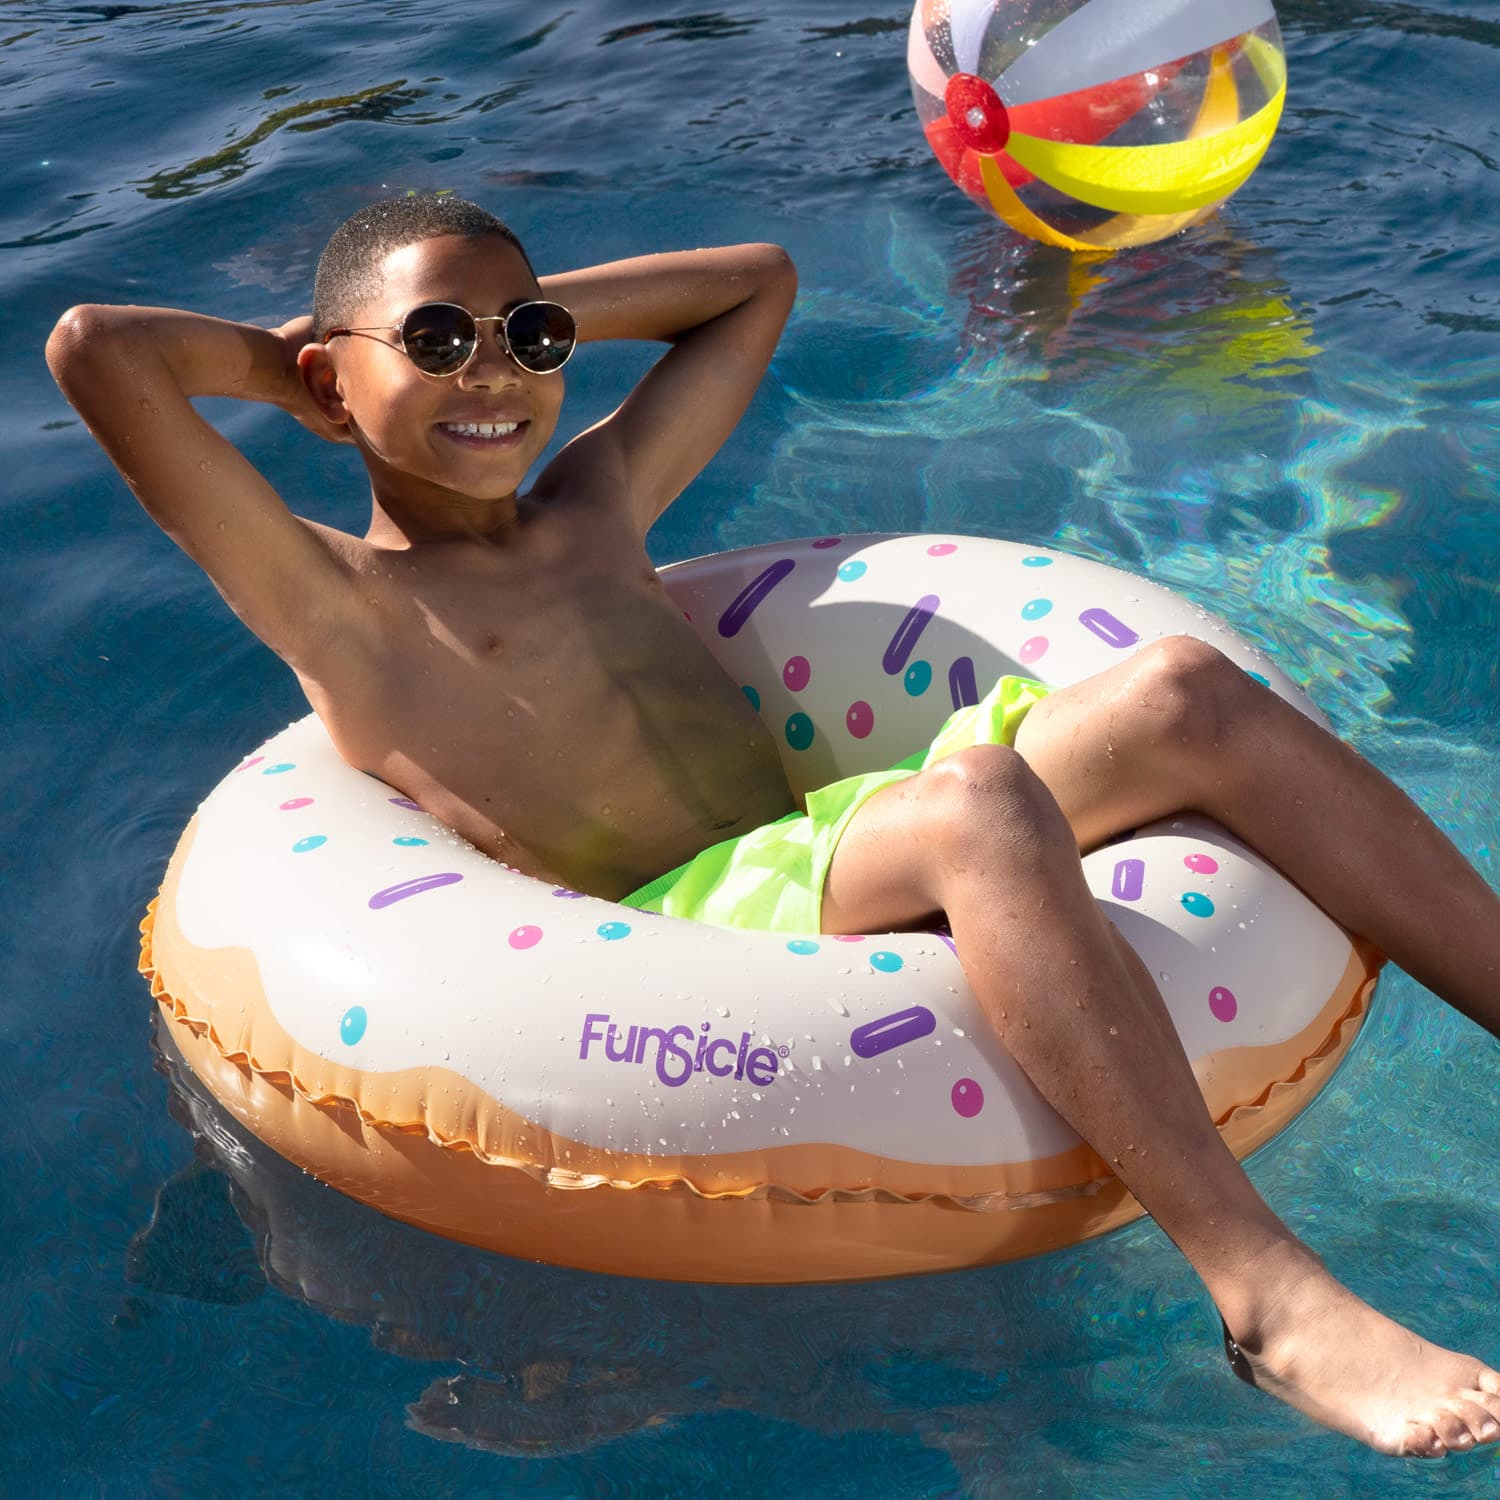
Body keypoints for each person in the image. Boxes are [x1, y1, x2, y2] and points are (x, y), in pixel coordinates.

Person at [47, 194, 1499, 1460]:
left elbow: (756, 283)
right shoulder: (337, 606)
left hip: (828, 837)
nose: (494, 376)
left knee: (1185, 689)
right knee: (980, 799)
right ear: (326, 378)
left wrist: (504, 316)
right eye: (440, 346)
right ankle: (1268, 1298)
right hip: (688, 928)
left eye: (529, 342)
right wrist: (323, 360)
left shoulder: (595, 506)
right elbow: (99, 351)